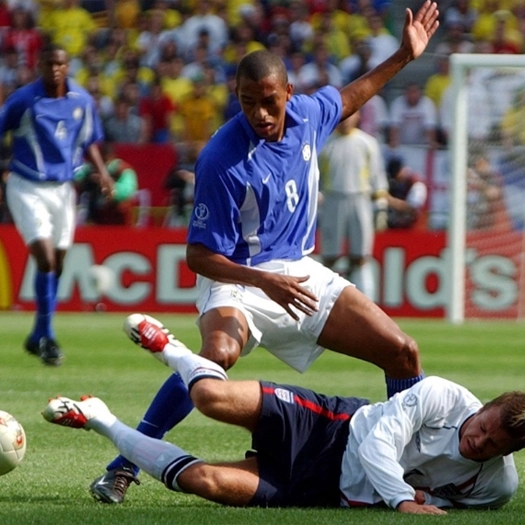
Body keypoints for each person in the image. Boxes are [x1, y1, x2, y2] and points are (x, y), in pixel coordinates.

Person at [89, 1, 440, 505]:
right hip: (237, 277)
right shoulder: (221, 159)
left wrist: (405, 55)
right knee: (216, 358)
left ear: (288, 94)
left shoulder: (309, 116)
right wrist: (262, 283)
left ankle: (409, 470)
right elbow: (198, 256)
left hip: (297, 270)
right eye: (247, 101)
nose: (259, 113)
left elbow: (352, 95)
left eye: (269, 101)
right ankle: (124, 465)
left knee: (402, 351)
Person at [43, 326, 525, 513]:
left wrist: (424, 499)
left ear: (508, 453)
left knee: (205, 482)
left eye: (491, 445)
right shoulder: (442, 395)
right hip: (330, 426)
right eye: (483, 426)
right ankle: (173, 349)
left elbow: (445, 501)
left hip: (318, 489)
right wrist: (401, 499)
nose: (477, 441)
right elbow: (378, 448)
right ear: (483, 407)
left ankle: (98, 417)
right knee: (213, 401)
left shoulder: (496, 488)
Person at [0, 43, 114, 366]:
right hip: (26, 185)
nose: (54, 69)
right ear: (39, 65)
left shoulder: (82, 101)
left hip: (63, 189)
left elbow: (89, 142)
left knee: (60, 260)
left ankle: (36, 334)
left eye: (59, 63)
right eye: (48, 63)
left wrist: (101, 172)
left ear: (67, 66)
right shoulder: (24, 100)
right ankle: (48, 336)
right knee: (45, 258)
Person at [318, 111, 389, 299]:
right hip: (332, 199)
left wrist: (380, 205)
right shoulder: (324, 143)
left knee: (361, 256)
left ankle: (368, 302)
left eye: (349, 115)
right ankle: (324, 302)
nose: (345, 120)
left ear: (358, 116)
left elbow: (376, 175)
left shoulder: (367, 143)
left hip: (360, 198)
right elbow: (315, 177)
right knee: (330, 256)